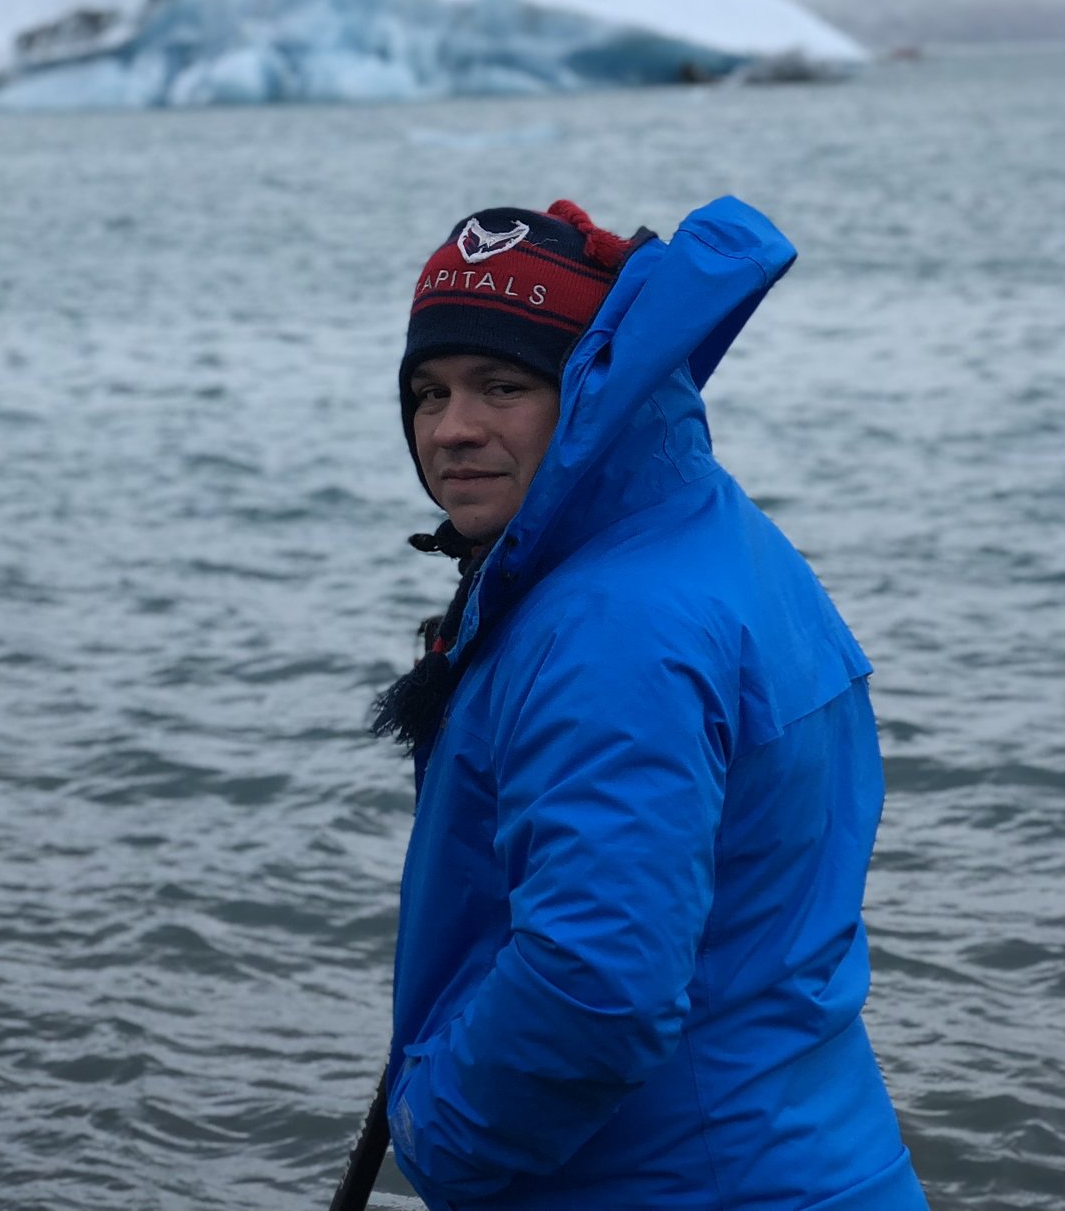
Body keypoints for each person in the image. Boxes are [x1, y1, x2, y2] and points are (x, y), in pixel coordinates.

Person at [369, 196, 926, 1209]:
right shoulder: (709, 532)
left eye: (502, 386)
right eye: (428, 391)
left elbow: (593, 984)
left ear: (587, 394)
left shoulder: (609, 628)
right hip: (813, 1151)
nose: (453, 429)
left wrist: (433, 1133)